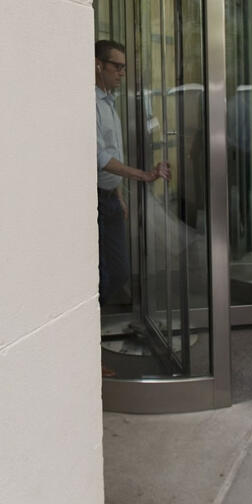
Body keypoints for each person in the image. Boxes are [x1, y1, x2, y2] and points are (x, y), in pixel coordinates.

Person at [96, 39, 170, 313]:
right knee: (100, 277)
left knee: (120, 272)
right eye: (117, 66)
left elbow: (111, 155)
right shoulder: (91, 103)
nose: (121, 73)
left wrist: (118, 193)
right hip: (96, 203)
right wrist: (143, 175)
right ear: (98, 65)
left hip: (111, 199)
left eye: (124, 67)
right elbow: (100, 158)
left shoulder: (109, 103)